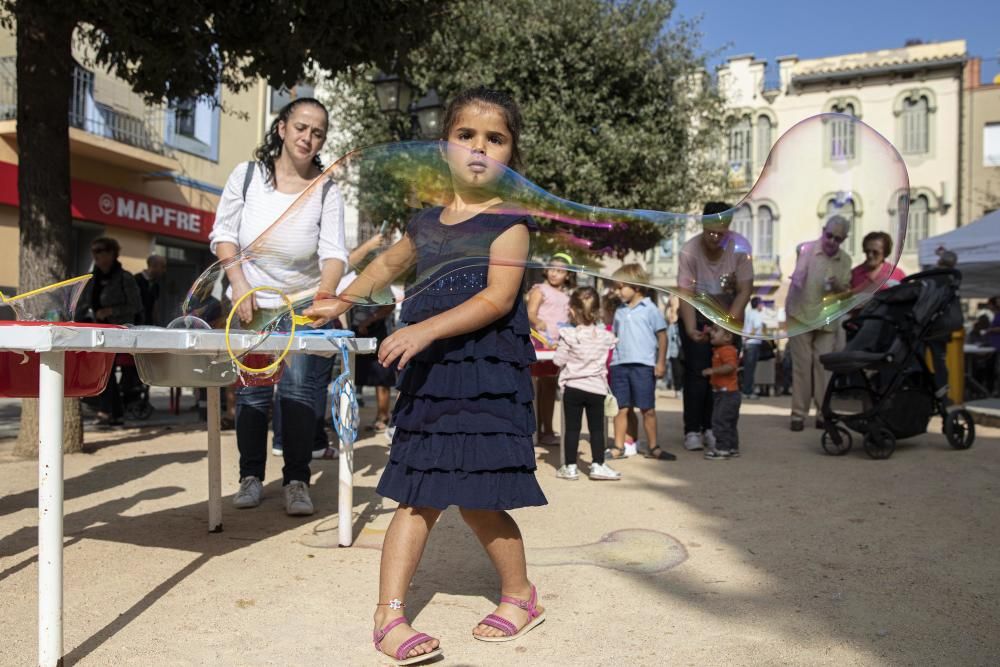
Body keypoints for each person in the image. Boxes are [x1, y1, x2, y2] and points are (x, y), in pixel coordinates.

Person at [305, 87, 546, 663]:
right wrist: (340, 298)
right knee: (414, 494)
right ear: (445, 148)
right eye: (467, 136)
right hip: (433, 378)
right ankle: (388, 616)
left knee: (481, 499)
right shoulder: (425, 222)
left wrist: (421, 330)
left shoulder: (510, 224)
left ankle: (520, 595)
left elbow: (495, 300)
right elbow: (388, 264)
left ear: (511, 153)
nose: (480, 148)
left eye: (496, 138)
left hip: (484, 378)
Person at [209, 97, 348, 516]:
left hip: (303, 305)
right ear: (283, 127)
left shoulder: (326, 188)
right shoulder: (247, 177)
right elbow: (223, 234)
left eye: (318, 132)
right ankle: (250, 477)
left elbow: (334, 254)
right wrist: (240, 284)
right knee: (253, 395)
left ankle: (297, 480)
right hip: (253, 303)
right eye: (302, 127)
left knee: (300, 392)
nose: (308, 138)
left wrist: (323, 298)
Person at [676, 201, 753, 451]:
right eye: (711, 231)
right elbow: (685, 292)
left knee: (724, 371)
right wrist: (689, 329)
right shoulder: (689, 250)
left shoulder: (739, 247)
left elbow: (744, 290)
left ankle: (713, 427)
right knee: (697, 374)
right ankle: (692, 429)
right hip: (696, 315)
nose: (715, 237)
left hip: (729, 315)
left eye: (721, 232)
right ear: (703, 224)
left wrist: (728, 324)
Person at [786, 216, 852, 431]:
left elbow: (846, 292)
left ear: (844, 240)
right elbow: (800, 271)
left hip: (826, 320)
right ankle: (798, 415)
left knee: (824, 368)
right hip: (800, 315)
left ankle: (823, 413)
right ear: (823, 231)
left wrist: (838, 285)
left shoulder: (845, 260)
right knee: (802, 366)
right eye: (829, 235)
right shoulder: (807, 250)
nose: (832, 241)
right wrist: (797, 278)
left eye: (838, 239)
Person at [607, 263, 674, 461]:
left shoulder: (651, 309)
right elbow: (614, 336)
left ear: (636, 286)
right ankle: (618, 446)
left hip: (643, 365)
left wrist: (660, 363)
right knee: (620, 408)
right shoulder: (619, 311)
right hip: (619, 364)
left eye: (621, 287)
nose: (617, 292)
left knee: (647, 409)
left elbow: (662, 337)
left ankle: (654, 447)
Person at [553, 286, 619, 481]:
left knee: (572, 429)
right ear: (598, 311)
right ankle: (598, 464)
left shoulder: (569, 335)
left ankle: (570, 466)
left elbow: (558, 361)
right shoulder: (605, 336)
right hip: (597, 388)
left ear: (572, 310)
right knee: (597, 429)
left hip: (573, 388)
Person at [74, 236, 141, 427]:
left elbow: (136, 306)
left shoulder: (124, 277)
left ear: (113, 253)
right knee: (101, 369)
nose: (101, 256)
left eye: (105, 251)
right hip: (95, 330)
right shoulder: (92, 279)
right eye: (96, 252)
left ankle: (106, 411)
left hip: (119, 332)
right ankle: (116, 413)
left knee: (105, 369)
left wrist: (111, 311)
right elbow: (83, 304)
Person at [527, 253, 574, 445]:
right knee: (535, 387)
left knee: (550, 387)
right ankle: (534, 431)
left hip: (557, 346)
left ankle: (548, 430)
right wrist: (539, 323)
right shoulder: (540, 289)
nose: (555, 273)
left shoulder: (567, 296)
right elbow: (530, 312)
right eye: (552, 269)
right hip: (540, 343)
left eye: (560, 271)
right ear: (546, 271)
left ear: (568, 275)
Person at [702, 326, 741, 459]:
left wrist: (713, 371)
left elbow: (731, 366)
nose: (712, 333)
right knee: (729, 422)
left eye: (715, 330)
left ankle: (722, 449)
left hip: (727, 393)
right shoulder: (721, 349)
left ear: (728, 337)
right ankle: (732, 447)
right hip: (727, 393)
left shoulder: (726, 350)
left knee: (719, 420)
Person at [741, 296, 765, 399]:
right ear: (758, 304)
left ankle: (746, 390)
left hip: (748, 344)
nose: (763, 306)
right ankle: (748, 391)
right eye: (761, 303)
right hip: (753, 343)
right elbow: (756, 327)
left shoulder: (749, 313)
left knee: (748, 368)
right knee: (751, 369)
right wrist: (748, 337)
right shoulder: (756, 314)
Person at [133, 254, 167, 326]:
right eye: (163, 267)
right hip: (134, 325)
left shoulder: (156, 285)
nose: (164, 270)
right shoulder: (135, 280)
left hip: (148, 325)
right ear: (153, 265)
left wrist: (157, 324)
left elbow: (155, 307)